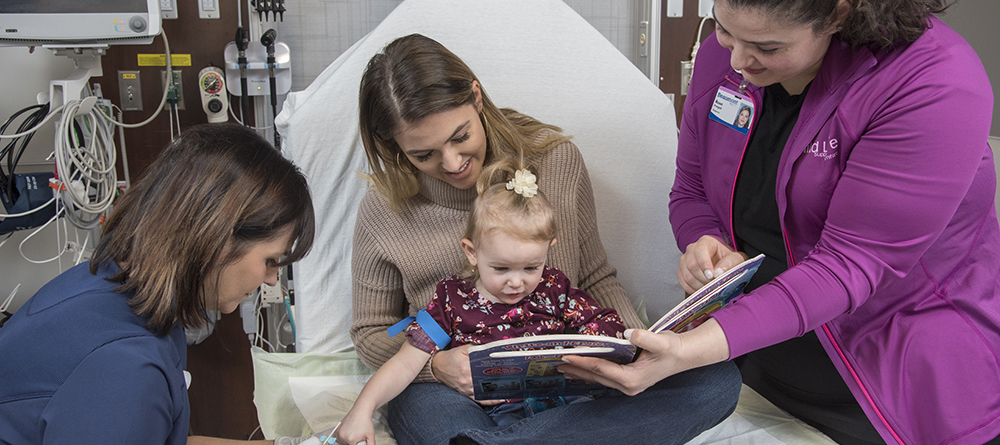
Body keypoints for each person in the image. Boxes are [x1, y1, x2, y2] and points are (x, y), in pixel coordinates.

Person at [559, 0, 1000, 444]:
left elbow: (848, 265)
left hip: (895, 379)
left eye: (766, 47)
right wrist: (704, 240)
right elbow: (691, 190)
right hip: (756, 354)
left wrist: (693, 348)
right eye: (724, 29)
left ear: (838, 15)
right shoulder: (723, 61)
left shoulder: (934, 83)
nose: (736, 60)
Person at [351, 33, 740, 444]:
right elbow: (371, 332)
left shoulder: (555, 162)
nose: (452, 163)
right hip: (450, 389)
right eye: (423, 155)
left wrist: (634, 348)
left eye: (460, 136)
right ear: (395, 148)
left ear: (476, 97)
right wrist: (437, 367)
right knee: (434, 419)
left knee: (716, 381)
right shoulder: (384, 208)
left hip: (564, 381)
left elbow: (594, 276)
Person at [0, 124, 318, 445]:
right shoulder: (127, 368)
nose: (271, 279)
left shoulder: (120, 280)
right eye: (271, 260)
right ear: (216, 237)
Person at [337, 165, 630, 445]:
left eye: (531, 268)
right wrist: (362, 410)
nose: (516, 283)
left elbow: (605, 324)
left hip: (566, 408)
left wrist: (592, 348)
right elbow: (404, 363)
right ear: (472, 252)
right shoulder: (452, 300)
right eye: (501, 269)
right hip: (496, 417)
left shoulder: (554, 288)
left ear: (548, 249)